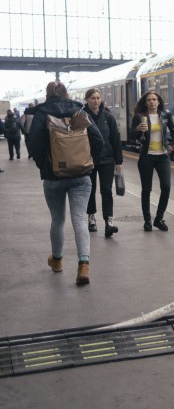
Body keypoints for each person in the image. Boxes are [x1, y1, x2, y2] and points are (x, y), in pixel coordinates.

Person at [29, 81, 104, 285]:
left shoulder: (42, 113)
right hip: (81, 175)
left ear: (47, 95)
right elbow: (98, 140)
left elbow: (33, 143)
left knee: (58, 220)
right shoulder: (79, 110)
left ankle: (58, 261)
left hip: (53, 177)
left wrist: (43, 164)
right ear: (66, 94)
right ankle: (83, 265)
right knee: (79, 219)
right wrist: (87, 161)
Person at [130, 91, 174, 232]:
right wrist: (138, 129)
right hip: (147, 157)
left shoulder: (165, 115)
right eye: (149, 100)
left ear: (158, 101)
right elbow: (132, 135)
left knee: (166, 187)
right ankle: (147, 221)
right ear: (145, 102)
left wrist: (172, 144)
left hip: (163, 157)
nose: (152, 102)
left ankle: (159, 218)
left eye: (154, 99)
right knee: (146, 190)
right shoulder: (139, 116)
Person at [83, 88, 123, 237]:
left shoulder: (108, 116)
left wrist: (119, 160)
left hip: (107, 159)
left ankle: (108, 221)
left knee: (106, 190)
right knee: (90, 190)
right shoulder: (82, 116)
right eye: (93, 98)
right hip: (88, 160)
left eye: (98, 98)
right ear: (87, 100)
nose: (96, 100)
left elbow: (115, 139)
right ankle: (91, 217)